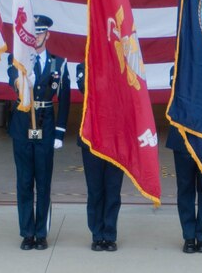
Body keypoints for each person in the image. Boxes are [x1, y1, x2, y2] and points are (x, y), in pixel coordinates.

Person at [7, 14, 70, 250]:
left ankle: (41, 232)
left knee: (43, 182)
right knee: (24, 182)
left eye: (40, 33)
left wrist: (60, 132)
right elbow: (12, 82)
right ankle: (27, 232)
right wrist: (24, 82)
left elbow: (64, 100)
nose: (36, 38)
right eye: (33, 34)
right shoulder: (17, 61)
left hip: (45, 125)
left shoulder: (59, 63)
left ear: (48, 35)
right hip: (23, 126)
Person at [166, 66, 202, 254]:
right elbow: (179, 90)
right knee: (185, 189)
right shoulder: (178, 68)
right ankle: (188, 236)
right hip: (183, 138)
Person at [76, 62, 124, 252]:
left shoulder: (122, 65)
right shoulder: (84, 66)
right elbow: (84, 88)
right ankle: (97, 234)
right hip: (92, 138)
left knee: (113, 189)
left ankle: (110, 234)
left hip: (115, 138)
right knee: (95, 190)